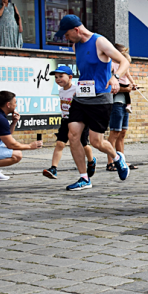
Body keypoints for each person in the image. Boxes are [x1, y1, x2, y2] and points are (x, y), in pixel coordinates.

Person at [55, 14, 131, 190]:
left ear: (76, 30)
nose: (66, 39)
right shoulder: (76, 45)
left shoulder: (100, 42)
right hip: (81, 97)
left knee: (96, 141)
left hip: (100, 99)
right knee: (73, 135)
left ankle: (118, 158)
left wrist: (115, 77)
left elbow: (124, 61)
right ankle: (84, 178)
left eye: (66, 35)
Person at [42, 65, 96, 180]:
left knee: (84, 144)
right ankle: (53, 168)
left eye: (61, 76)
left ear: (70, 77)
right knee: (60, 143)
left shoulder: (77, 89)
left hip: (79, 121)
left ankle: (91, 161)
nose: (58, 79)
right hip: (66, 120)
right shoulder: (61, 91)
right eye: (56, 77)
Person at [106, 44, 138, 172]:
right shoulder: (110, 66)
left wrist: (131, 85)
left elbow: (128, 78)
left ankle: (121, 160)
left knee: (122, 133)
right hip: (116, 102)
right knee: (114, 132)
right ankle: (110, 162)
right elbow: (109, 86)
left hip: (125, 102)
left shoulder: (123, 66)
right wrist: (126, 88)